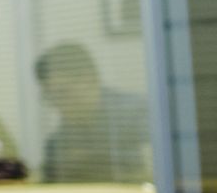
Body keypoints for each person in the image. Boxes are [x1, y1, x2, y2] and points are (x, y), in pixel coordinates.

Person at [36, 42, 149, 183]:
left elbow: (154, 174)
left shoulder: (137, 113)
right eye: (50, 96)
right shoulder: (58, 141)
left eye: (62, 93)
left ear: (90, 78)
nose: (57, 105)